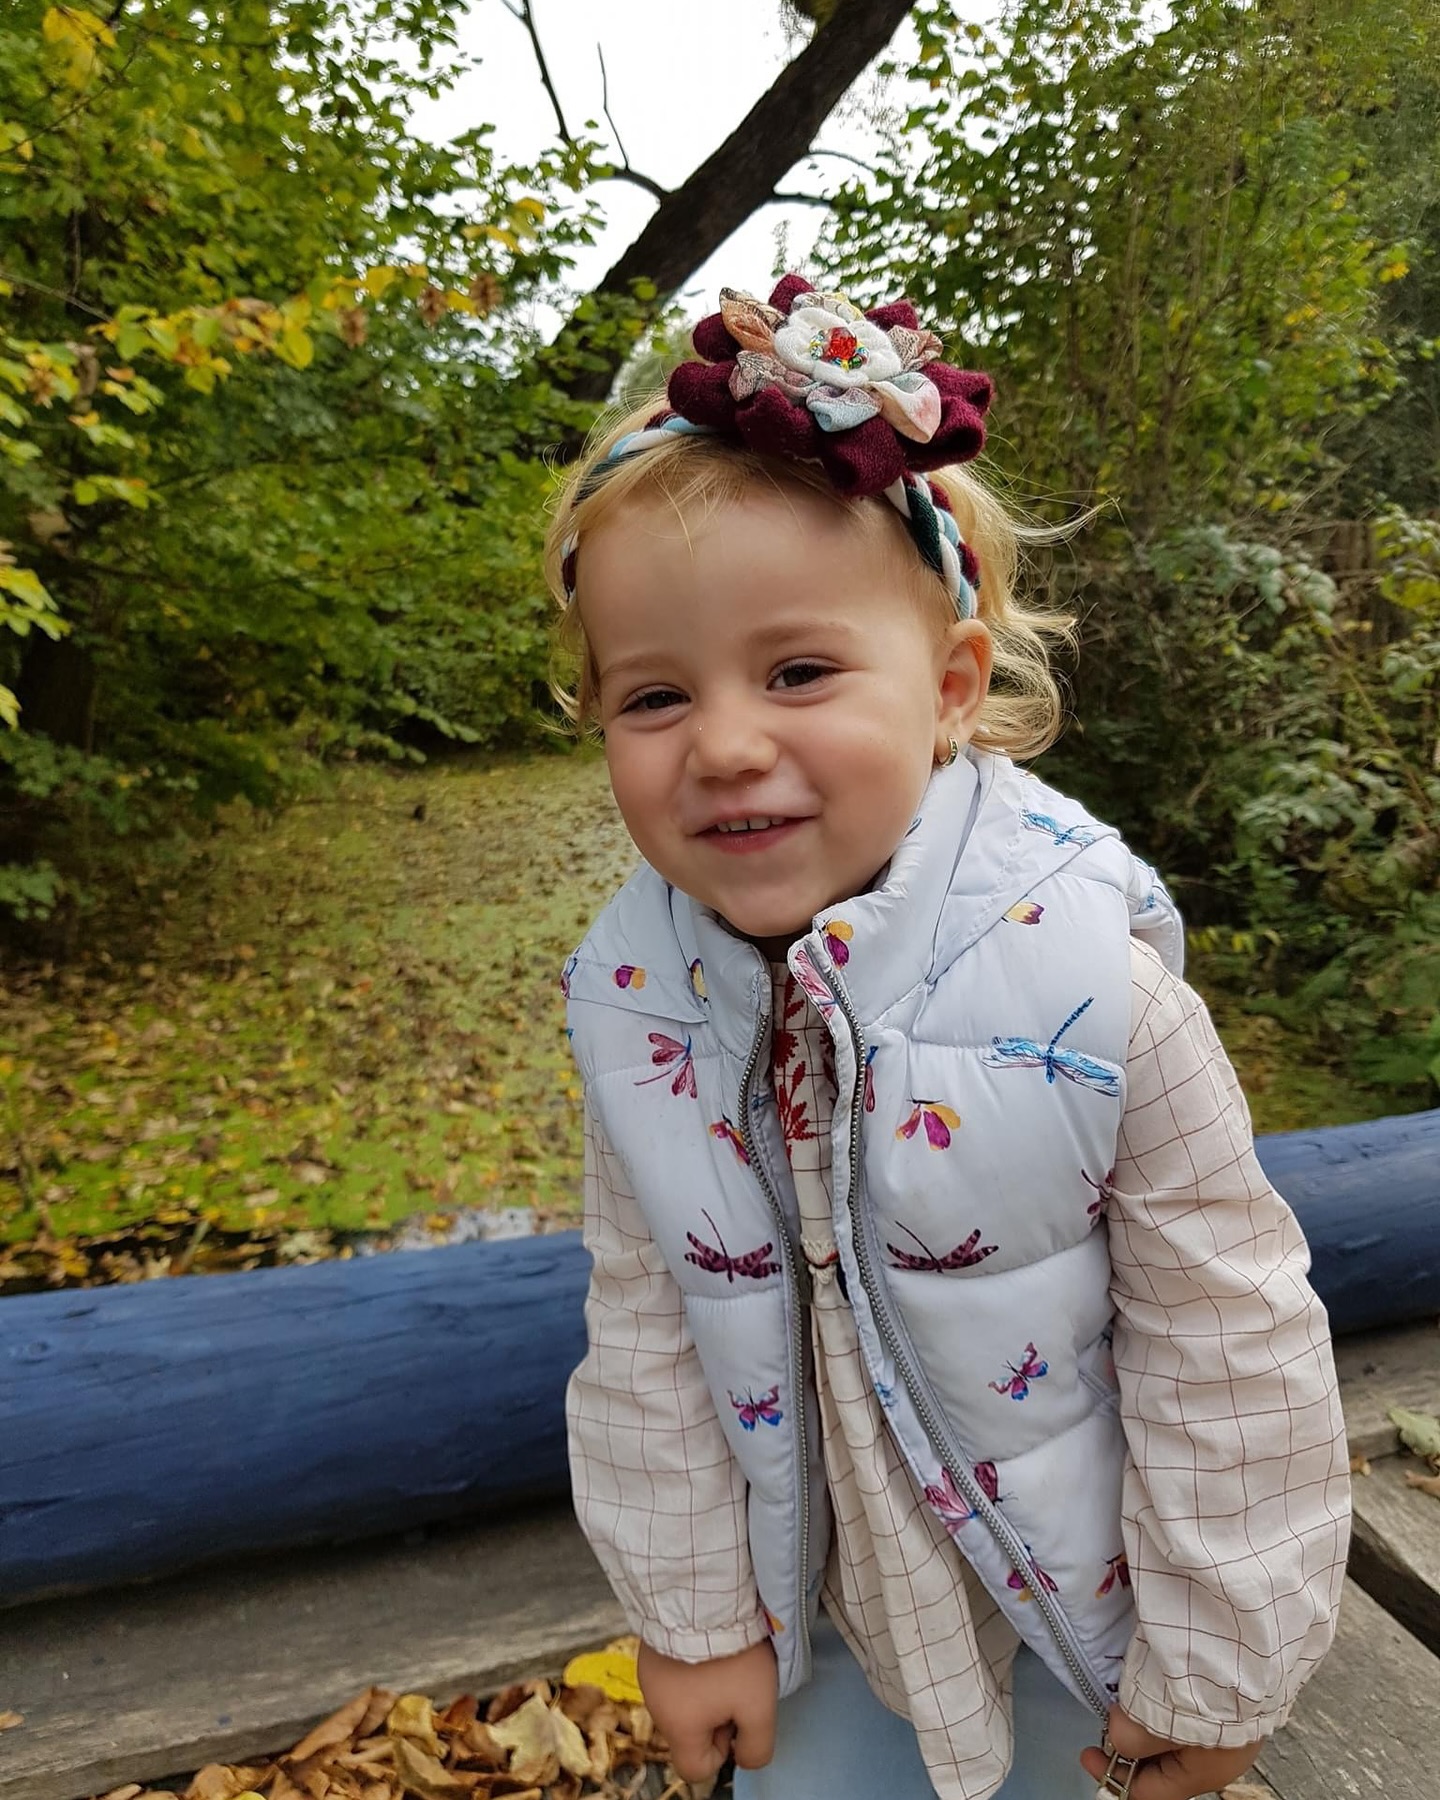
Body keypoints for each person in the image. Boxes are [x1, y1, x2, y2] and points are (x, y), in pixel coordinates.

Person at [551, 275, 1350, 1800]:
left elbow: (1232, 1350)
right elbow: (645, 1334)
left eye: (798, 672)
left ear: (952, 692)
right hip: (816, 1620)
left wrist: (1218, 1666)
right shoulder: (640, 1010)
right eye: (653, 695)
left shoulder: (1100, 999)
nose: (725, 743)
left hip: (1082, 1623)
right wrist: (695, 1623)